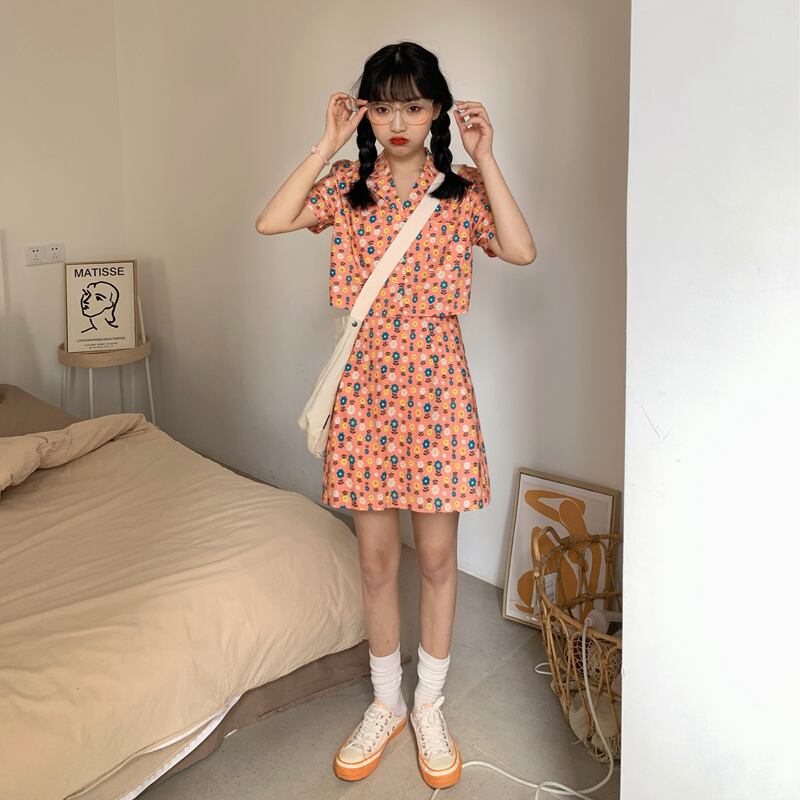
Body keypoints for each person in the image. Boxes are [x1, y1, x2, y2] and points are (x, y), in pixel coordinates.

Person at [255, 41, 536, 790]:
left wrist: (487, 157)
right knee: (377, 561)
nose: (398, 121)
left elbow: (520, 249)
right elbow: (271, 221)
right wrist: (325, 144)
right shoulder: (349, 186)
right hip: (367, 390)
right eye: (383, 107)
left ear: (437, 108)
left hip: (437, 389)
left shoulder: (460, 190)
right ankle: (386, 704)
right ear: (367, 114)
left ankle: (430, 704)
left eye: (413, 105)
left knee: (436, 560)